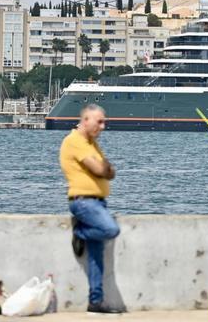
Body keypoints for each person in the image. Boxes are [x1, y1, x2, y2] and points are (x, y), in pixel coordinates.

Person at [59, 104, 122, 315]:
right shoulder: (75, 141)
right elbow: (100, 169)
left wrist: (106, 169)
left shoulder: (91, 144)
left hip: (97, 202)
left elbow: (109, 172)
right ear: (85, 120)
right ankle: (80, 232)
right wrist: (105, 168)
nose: (103, 126)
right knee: (111, 230)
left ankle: (95, 302)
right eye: (99, 122)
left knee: (96, 259)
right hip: (84, 202)